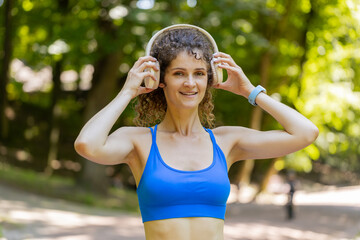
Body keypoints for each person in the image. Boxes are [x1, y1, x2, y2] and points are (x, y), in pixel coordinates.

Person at [74, 24, 319, 240]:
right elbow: (87, 144)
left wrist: (250, 91)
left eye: (199, 73)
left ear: (209, 79)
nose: (190, 83)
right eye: (179, 73)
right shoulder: (138, 141)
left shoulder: (227, 141)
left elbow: (306, 133)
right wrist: (127, 91)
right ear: (161, 79)